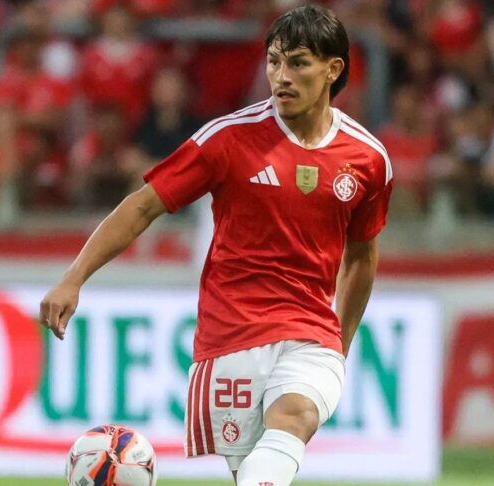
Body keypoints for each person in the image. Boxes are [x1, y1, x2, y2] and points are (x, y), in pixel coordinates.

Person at [40, 6, 392, 486]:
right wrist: (73, 278)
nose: (281, 77)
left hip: (311, 332)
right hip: (231, 335)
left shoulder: (368, 159)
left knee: (296, 413)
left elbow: (361, 256)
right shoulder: (228, 138)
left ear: (333, 69)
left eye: (298, 63)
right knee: (253, 474)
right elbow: (142, 206)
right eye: (274, 62)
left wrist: (339, 347)